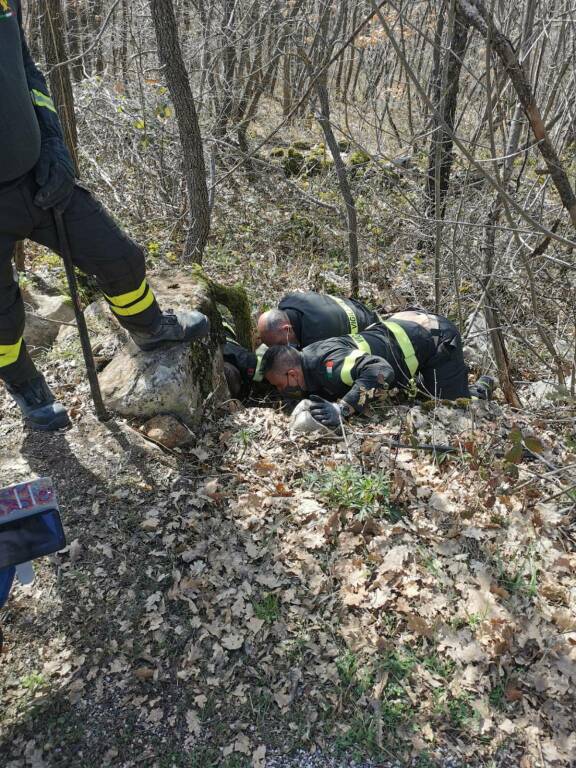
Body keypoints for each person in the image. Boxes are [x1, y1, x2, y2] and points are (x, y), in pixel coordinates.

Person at [0, 1, 208, 431]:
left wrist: (54, 143)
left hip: (37, 179)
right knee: (1, 320)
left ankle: (147, 326)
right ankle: (25, 385)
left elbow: (26, 70)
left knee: (118, 256)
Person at [261, 309, 472, 428]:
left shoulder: (330, 365)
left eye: (280, 385)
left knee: (451, 409)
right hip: (400, 328)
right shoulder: (306, 355)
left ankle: (481, 389)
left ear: (293, 374)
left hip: (434, 335)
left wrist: (342, 409)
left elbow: (381, 371)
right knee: (420, 395)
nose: (281, 391)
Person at [257, 291, 382, 348]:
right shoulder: (289, 300)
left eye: (280, 344)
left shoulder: (315, 342)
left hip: (373, 328)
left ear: (287, 329)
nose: (280, 348)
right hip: (358, 306)